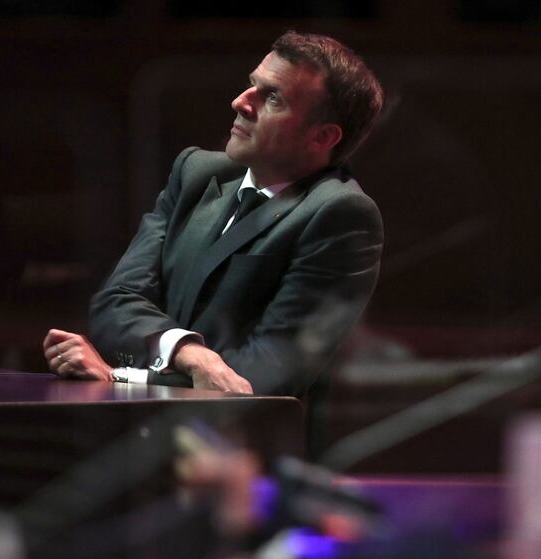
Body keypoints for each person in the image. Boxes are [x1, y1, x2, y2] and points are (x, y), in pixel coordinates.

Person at [43, 31, 384, 397]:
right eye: (252, 85)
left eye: (272, 98)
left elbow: (265, 373)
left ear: (322, 137)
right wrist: (192, 355)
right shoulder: (194, 172)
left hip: (242, 445)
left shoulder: (340, 214)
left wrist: (122, 376)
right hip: (146, 433)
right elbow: (116, 302)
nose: (240, 102)